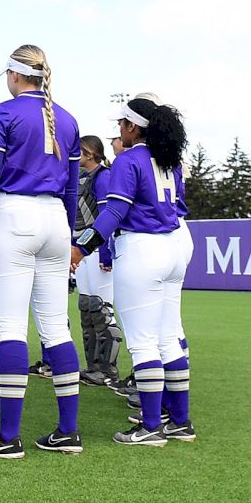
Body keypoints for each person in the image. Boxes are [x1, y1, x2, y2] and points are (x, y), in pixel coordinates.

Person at [0, 45, 83, 459]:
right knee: (56, 328)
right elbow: (71, 188)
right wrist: (68, 237)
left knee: (11, 327)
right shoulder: (66, 118)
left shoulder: (4, 112)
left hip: (15, 215)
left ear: (16, 75)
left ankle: (9, 437)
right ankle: (68, 431)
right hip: (56, 220)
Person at [72, 95, 194, 445]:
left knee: (143, 344)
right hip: (172, 246)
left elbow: (112, 215)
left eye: (121, 125)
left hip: (142, 249)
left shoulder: (129, 160)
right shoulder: (170, 159)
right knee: (169, 337)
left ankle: (151, 426)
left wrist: (81, 247)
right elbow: (180, 205)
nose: (119, 131)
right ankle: (180, 421)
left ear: (132, 126)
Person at [75, 135, 121, 387]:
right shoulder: (81, 176)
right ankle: (93, 366)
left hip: (97, 250)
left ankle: (109, 370)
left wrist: (105, 252)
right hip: (82, 250)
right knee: (87, 306)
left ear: (90, 153)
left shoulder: (103, 177)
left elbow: (107, 215)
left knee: (103, 309)